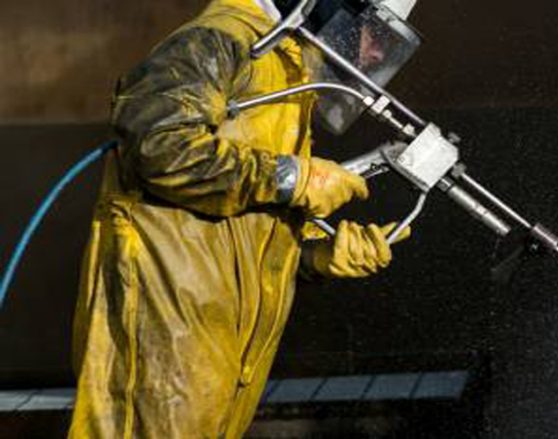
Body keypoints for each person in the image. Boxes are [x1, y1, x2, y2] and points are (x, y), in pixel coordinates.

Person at [68, 0, 416, 436]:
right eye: (371, 31)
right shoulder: (220, 39)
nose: (377, 53)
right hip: (168, 325)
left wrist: (311, 257)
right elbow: (159, 146)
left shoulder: (282, 61)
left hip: (218, 346)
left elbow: (238, 224)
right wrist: (293, 178)